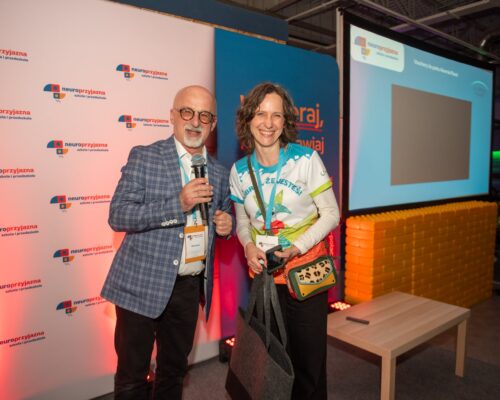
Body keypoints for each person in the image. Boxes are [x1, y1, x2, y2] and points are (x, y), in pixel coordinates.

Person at [101, 85, 232, 400]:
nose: (195, 122)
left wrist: (227, 227)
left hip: (187, 288)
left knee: (173, 373)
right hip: (140, 283)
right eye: (187, 112)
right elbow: (118, 215)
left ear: (213, 124)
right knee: (132, 377)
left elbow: (224, 214)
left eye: (204, 116)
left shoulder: (219, 172)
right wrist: (178, 204)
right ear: (172, 116)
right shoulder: (145, 157)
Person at [229, 82, 340, 399]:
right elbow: (242, 223)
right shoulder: (239, 171)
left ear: (285, 121)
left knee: (308, 364)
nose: (268, 122)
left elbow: (331, 214)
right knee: (273, 362)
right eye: (260, 114)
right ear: (248, 118)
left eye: (276, 115)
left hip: (305, 273)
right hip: (265, 278)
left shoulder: (305, 160)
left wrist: (297, 247)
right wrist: (248, 246)